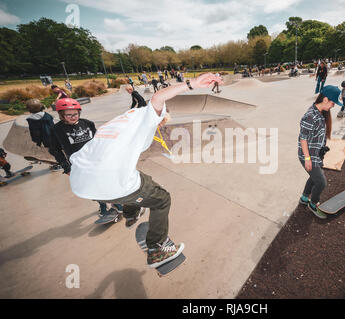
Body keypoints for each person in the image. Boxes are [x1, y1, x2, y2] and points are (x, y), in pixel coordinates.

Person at [68, 73, 223, 268]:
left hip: (79, 181)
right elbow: (158, 98)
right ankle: (157, 249)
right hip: (110, 184)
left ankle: (132, 213)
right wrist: (193, 84)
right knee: (162, 199)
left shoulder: (122, 119)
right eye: (162, 123)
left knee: (142, 180)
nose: (160, 125)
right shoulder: (149, 116)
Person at [52, 98, 123, 217]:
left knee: (105, 182)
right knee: (93, 186)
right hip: (80, 164)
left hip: (96, 160)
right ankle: (102, 205)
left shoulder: (88, 123)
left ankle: (115, 202)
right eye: (69, 115)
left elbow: (98, 141)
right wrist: (66, 167)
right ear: (61, 115)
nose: (73, 117)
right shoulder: (56, 130)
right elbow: (55, 150)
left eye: (75, 114)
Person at [298, 86, 343, 219]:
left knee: (314, 178)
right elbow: (303, 138)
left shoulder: (321, 113)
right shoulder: (310, 116)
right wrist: (307, 159)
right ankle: (313, 204)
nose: (333, 106)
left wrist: (321, 148)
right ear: (325, 99)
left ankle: (304, 198)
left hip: (316, 154)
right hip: (308, 156)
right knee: (321, 182)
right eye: (332, 103)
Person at [25, 99, 62, 170]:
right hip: (55, 136)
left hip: (46, 139)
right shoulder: (47, 115)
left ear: (29, 109)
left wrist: (37, 141)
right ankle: (62, 161)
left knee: (53, 151)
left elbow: (35, 132)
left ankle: (61, 163)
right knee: (58, 149)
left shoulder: (31, 120)